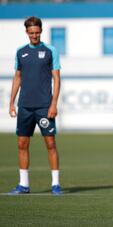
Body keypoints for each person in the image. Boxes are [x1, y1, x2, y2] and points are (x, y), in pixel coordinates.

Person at [8, 16, 62, 195]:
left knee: (50, 143)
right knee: (22, 144)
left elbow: (56, 78)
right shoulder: (20, 52)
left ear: (41, 31)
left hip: (44, 107)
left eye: (37, 32)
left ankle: (55, 184)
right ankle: (23, 185)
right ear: (26, 32)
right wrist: (11, 102)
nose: (35, 35)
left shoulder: (50, 51)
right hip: (25, 106)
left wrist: (53, 103)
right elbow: (17, 78)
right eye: (31, 33)